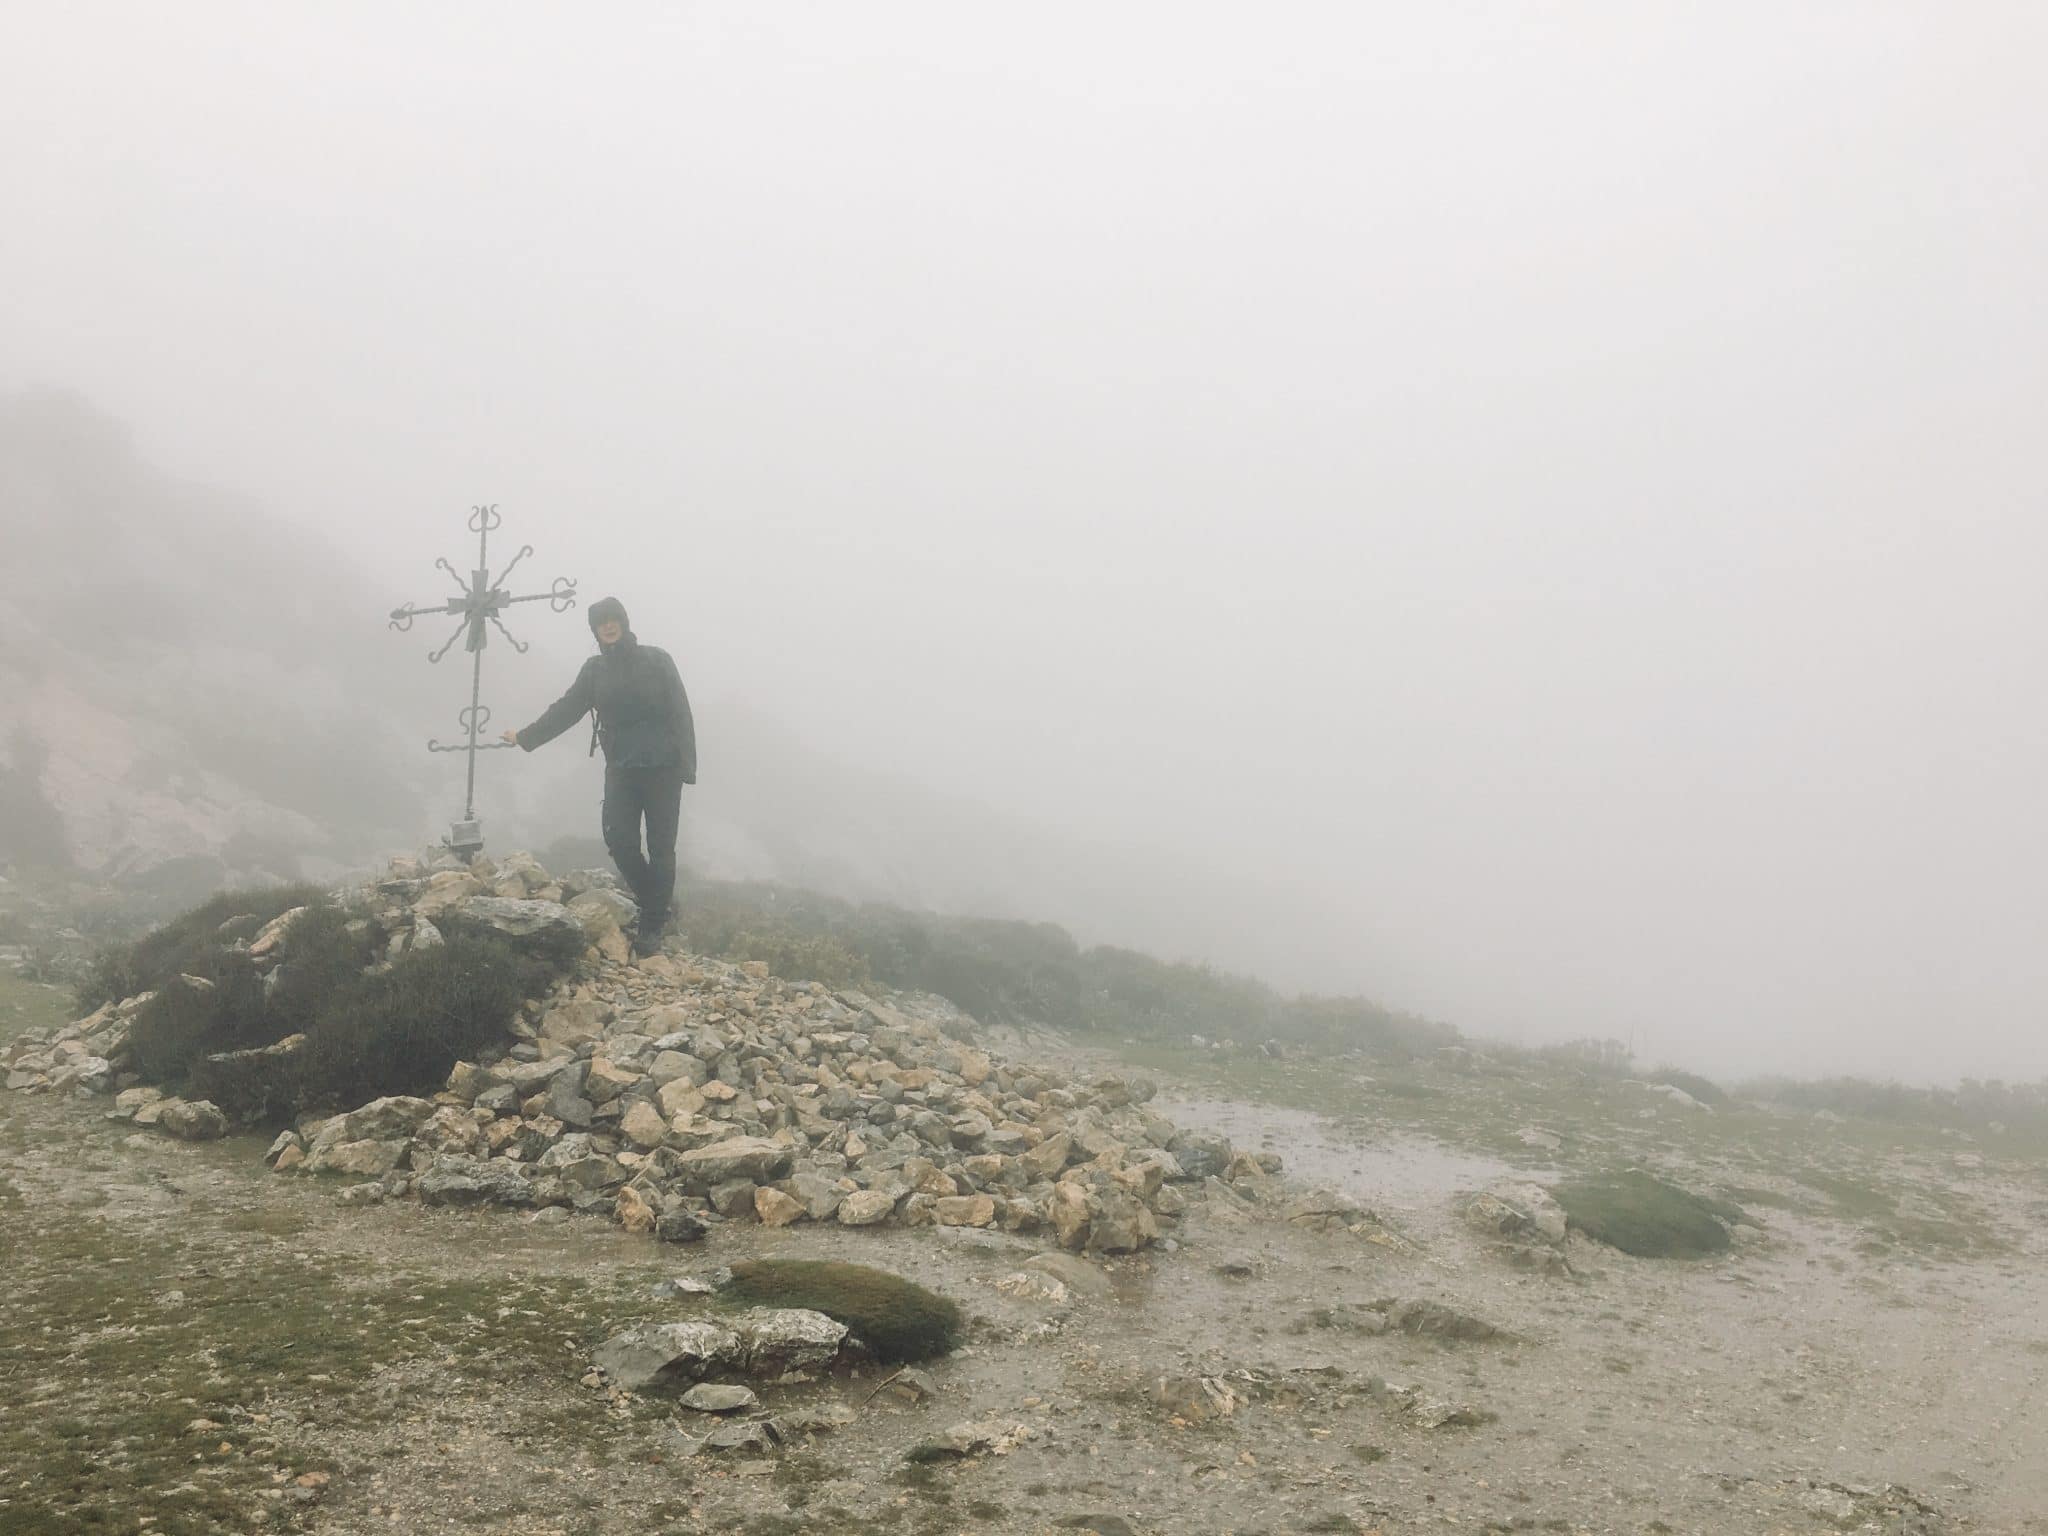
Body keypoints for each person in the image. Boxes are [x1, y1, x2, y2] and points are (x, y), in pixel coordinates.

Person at [502, 596, 696, 957]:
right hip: (621, 766)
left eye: (613, 619)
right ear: (595, 630)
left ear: (624, 621)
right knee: (619, 839)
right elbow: (567, 709)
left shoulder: (657, 660)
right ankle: (658, 902)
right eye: (600, 622)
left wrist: (688, 766)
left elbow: (681, 711)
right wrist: (525, 737)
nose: (607, 626)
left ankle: (652, 925)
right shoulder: (595, 671)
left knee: (660, 847)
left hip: (663, 768)